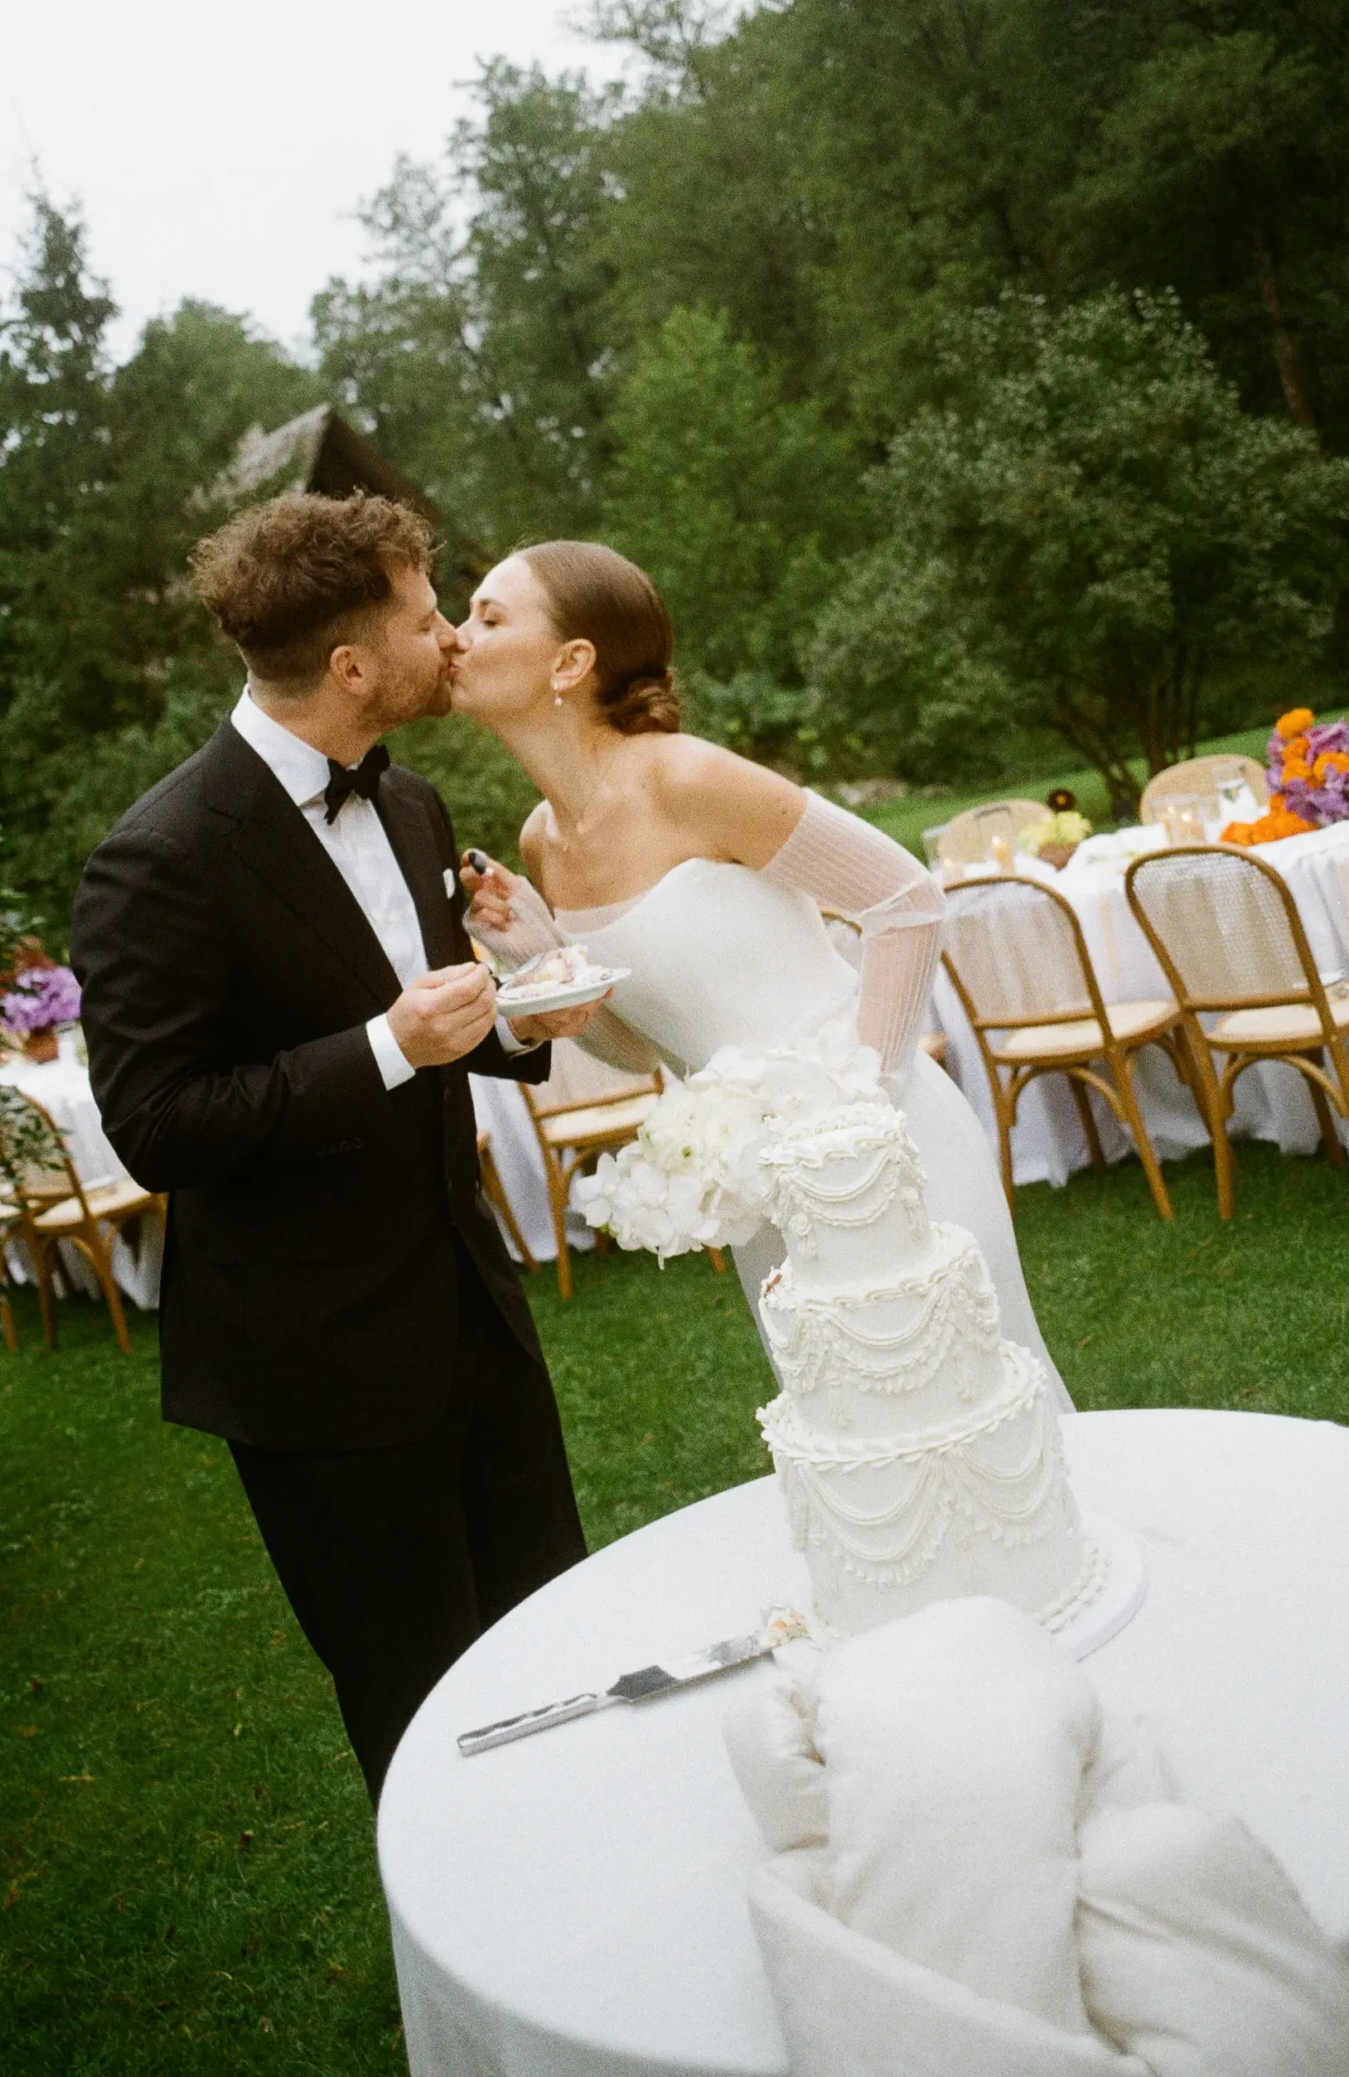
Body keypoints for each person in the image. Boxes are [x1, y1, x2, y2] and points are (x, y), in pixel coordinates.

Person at [70, 493, 597, 1803]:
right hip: (317, 1370)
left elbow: (426, 1023)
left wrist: (518, 1012)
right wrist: (384, 1046)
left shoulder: (411, 805)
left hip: (471, 1311)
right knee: (423, 1708)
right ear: (352, 666)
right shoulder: (159, 858)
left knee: (561, 1641)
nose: (451, 637)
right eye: (426, 620)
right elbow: (156, 1124)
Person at [453, 539, 1070, 1403]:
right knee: (846, 1425)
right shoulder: (540, 842)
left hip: (886, 1147)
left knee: (974, 1404)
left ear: (570, 662)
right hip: (757, 1185)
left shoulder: (686, 776)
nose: (454, 636)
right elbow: (637, 1051)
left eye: (487, 618)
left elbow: (905, 901)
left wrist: (855, 1119)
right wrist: (534, 953)